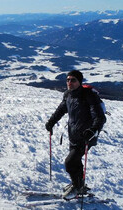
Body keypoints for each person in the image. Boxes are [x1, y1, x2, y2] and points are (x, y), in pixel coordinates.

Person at [45, 70, 106, 198]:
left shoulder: (88, 96)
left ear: (79, 82)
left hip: (86, 137)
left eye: (73, 80)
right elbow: (60, 110)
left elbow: (99, 117)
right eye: (68, 80)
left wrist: (92, 130)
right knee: (76, 162)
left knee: (70, 162)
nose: (69, 82)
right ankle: (79, 185)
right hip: (73, 135)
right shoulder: (68, 95)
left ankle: (77, 187)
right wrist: (51, 122)